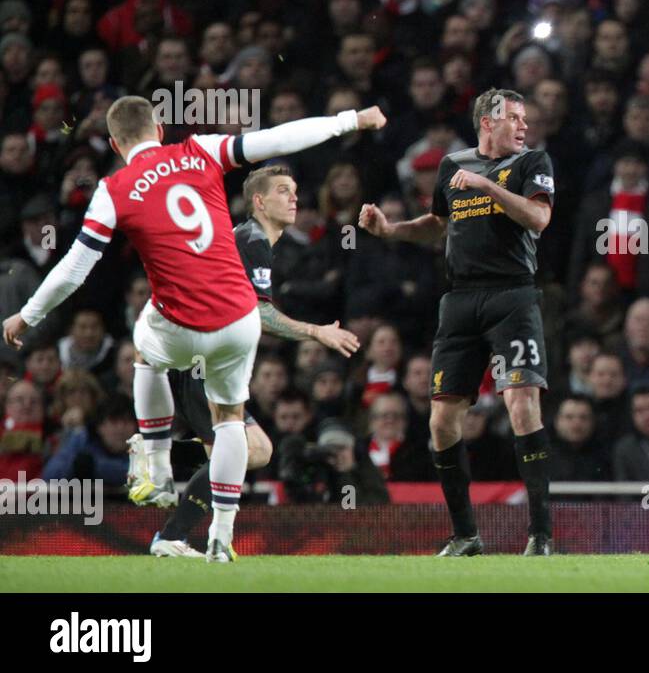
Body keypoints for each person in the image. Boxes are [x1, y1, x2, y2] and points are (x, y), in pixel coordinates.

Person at [3, 94, 386, 562]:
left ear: (114, 143)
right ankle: (221, 538)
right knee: (231, 424)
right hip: (240, 321)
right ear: (160, 129)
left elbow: (74, 269)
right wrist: (349, 119)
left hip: (181, 323)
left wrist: (27, 314)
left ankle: (157, 466)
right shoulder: (199, 150)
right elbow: (277, 139)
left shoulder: (115, 187)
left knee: (145, 345)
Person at [359, 87, 556, 556]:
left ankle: (541, 535)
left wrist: (489, 186)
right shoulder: (452, 166)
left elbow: (539, 219)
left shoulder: (534, 163)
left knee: (522, 406)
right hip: (460, 301)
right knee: (442, 420)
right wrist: (391, 230)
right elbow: (437, 224)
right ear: (488, 122)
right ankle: (466, 534)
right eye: (515, 117)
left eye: (525, 118)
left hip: (513, 295)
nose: (524, 126)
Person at [149, 164, 361, 558]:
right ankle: (164, 498)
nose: (294, 198)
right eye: (283, 191)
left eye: (296, 191)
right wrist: (317, 332)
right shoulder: (252, 240)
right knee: (243, 450)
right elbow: (259, 314)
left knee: (254, 450)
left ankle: (167, 508)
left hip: (205, 359)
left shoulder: (248, 240)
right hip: (203, 361)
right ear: (259, 202)